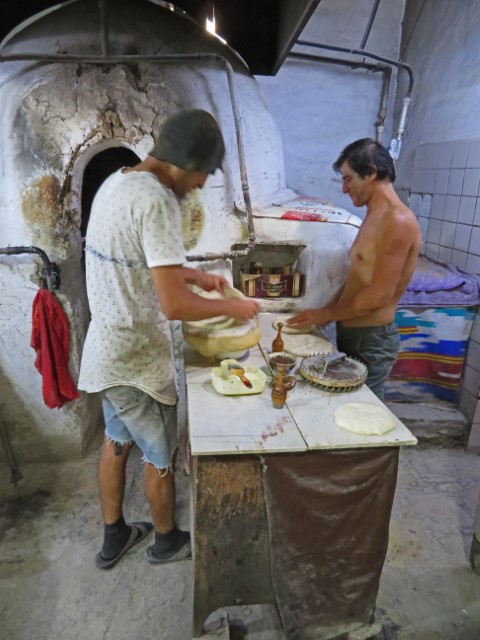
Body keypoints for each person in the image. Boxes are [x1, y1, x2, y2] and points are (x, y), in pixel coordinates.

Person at [78, 109, 259, 570]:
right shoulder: (158, 199)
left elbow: (140, 260)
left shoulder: (117, 182)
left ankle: (114, 535)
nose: (199, 184)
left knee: (115, 443)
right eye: (202, 173)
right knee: (160, 456)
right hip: (138, 363)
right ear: (183, 160)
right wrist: (233, 307)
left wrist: (198, 276)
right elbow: (174, 306)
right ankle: (165, 540)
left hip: (107, 351)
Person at [287, 138, 422, 400]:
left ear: (371, 172)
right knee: (345, 404)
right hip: (353, 334)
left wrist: (325, 312)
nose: (344, 188)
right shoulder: (374, 216)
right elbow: (358, 278)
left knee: (364, 411)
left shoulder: (398, 220)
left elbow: (379, 295)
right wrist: (325, 315)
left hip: (371, 340)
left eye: (349, 179)